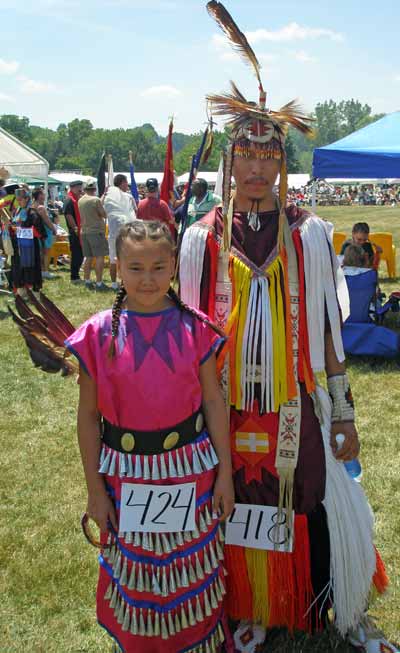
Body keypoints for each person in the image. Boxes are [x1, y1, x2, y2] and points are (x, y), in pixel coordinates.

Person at [179, 3, 393, 652]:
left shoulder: (311, 238)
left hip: (294, 404)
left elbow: (327, 332)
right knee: (233, 504)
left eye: (265, 156)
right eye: (243, 154)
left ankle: (314, 600)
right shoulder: (202, 242)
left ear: (280, 164)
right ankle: (242, 601)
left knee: (305, 500)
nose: (253, 169)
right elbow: (192, 342)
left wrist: (343, 411)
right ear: (230, 161)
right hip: (228, 404)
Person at [65, 219, 234, 653]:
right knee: (137, 568)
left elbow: (214, 403)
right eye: (136, 267)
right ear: (118, 266)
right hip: (126, 476)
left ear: (174, 266)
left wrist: (226, 476)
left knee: (189, 566)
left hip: (190, 473)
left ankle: (193, 642)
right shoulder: (98, 334)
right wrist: (94, 491)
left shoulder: (196, 329)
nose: (148, 278)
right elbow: (87, 417)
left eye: (159, 267)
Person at [9, 186, 46, 295]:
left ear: (27, 199)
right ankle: (21, 291)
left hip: (30, 247)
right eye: (17, 200)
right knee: (18, 268)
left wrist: (22, 229)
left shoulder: (32, 212)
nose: (19, 202)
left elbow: (40, 231)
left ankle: (34, 293)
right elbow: (14, 225)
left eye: (21, 200)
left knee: (31, 268)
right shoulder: (17, 212)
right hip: (18, 246)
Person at [103, 174, 136, 291]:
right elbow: (135, 212)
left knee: (114, 259)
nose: (127, 185)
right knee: (122, 258)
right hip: (124, 233)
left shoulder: (108, 197)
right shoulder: (128, 197)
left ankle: (115, 283)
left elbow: (102, 211)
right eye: (126, 182)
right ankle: (121, 282)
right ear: (122, 183)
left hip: (116, 233)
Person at [78, 180, 109, 290]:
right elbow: (103, 214)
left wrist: (103, 197)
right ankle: (99, 282)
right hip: (96, 232)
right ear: (94, 189)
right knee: (100, 257)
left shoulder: (81, 200)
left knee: (88, 257)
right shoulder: (95, 200)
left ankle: (87, 280)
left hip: (85, 231)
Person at [31, 188, 58, 280]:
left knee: (41, 252)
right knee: (46, 252)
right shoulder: (41, 207)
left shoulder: (32, 205)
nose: (45, 195)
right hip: (45, 232)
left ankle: (42, 271)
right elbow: (47, 221)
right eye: (43, 194)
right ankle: (45, 271)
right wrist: (54, 229)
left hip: (38, 232)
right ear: (39, 195)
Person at [64, 180, 84, 283]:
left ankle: (76, 274)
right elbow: (68, 215)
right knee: (76, 254)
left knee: (80, 254)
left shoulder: (77, 199)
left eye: (81, 187)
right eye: (78, 187)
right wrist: (75, 228)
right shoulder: (69, 200)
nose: (80, 189)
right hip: (74, 231)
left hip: (79, 230)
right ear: (72, 188)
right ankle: (74, 276)